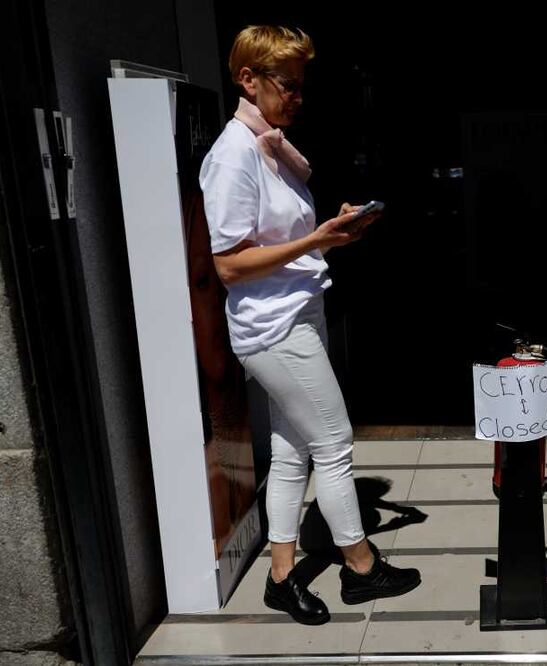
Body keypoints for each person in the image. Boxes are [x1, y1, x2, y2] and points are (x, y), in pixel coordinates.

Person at [199, 25, 420, 625]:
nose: (296, 96)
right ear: (248, 79)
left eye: (301, 86)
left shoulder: (269, 145)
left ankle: (280, 575)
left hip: (297, 313)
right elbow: (229, 264)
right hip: (275, 328)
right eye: (285, 85)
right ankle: (361, 567)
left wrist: (330, 233)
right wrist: (316, 238)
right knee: (335, 443)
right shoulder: (233, 156)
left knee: (294, 450)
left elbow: (282, 242)